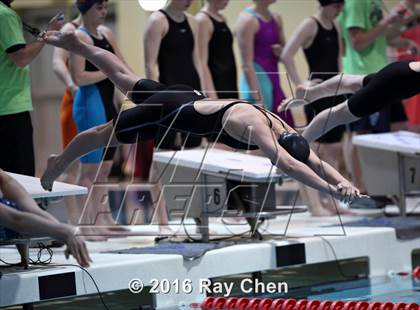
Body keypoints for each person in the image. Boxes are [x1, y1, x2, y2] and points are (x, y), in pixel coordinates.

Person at [40, 31, 362, 207]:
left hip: (186, 96)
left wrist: (343, 181)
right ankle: (59, 161)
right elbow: (292, 166)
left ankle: (77, 45)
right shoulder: (259, 128)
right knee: (102, 134)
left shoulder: (282, 126)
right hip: (170, 111)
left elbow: (312, 159)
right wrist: (330, 191)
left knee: (122, 75)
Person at [337, 0, 414, 195]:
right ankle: (359, 190)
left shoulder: (376, 2)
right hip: (363, 75)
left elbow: (381, 38)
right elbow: (358, 42)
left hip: (383, 72)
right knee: (360, 133)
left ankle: (393, 186)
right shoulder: (356, 2)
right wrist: (387, 20)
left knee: (400, 128)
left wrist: (402, 39)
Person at [70, 0, 132, 240]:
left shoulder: (106, 33)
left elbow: (121, 63)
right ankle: (87, 224)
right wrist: (109, 71)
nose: (104, 12)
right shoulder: (79, 36)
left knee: (106, 168)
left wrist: (136, 87)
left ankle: (103, 218)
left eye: (106, 7)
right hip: (90, 104)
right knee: (89, 169)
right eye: (99, 7)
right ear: (85, 9)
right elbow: (79, 76)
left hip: (108, 102)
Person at [281, 0, 350, 216]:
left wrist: (342, 84)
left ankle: (331, 200)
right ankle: (315, 204)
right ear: (326, 4)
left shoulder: (336, 25)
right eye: (337, 6)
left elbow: (337, 59)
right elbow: (286, 55)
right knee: (313, 150)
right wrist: (300, 84)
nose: (339, 10)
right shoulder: (310, 24)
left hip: (334, 90)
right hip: (317, 92)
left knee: (333, 149)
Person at [282, 61, 420, 142]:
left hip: (401, 71)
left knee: (353, 83)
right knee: (338, 115)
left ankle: (309, 94)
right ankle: (298, 146)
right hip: (398, 83)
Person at [0, 0, 62, 176]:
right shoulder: (5, 15)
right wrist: (47, 35)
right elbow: (21, 57)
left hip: (6, 107)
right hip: (10, 108)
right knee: (19, 177)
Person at [0, 169, 91, 267]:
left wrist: (67, 235)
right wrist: (64, 232)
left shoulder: (3, 177)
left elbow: (33, 210)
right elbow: (14, 219)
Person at [235, 0, 293, 125]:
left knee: (285, 125)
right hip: (257, 80)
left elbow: (286, 54)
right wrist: (258, 99)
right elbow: (246, 65)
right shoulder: (247, 20)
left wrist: (280, 52)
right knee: (264, 129)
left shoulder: (276, 18)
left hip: (274, 78)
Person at [52, 12, 82, 227]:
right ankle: (73, 220)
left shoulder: (100, 31)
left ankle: (98, 217)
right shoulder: (69, 30)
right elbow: (57, 63)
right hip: (76, 100)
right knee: (74, 166)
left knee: (99, 165)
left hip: (97, 99)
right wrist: (72, 85)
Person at [196, 0, 238, 100]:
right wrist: (212, 96)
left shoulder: (222, 18)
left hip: (229, 80)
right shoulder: (203, 20)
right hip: (216, 82)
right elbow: (201, 62)